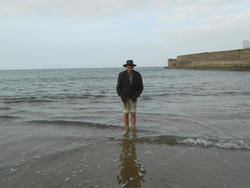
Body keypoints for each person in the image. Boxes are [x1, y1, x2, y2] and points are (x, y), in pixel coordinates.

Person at [116, 60, 143, 131]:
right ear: (126, 66)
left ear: (133, 66)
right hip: (124, 98)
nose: (129, 67)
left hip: (133, 97)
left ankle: (133, 127)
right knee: (126, 114)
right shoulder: (121, 74)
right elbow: (118, 87)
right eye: (128, 66)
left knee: (133, 113)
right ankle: (126, 127)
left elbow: (141, 87)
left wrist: (136, 95)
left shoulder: (137, 74)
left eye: (131, 66)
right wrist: (121, 96)